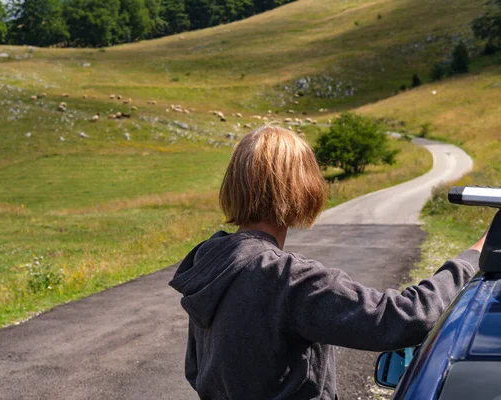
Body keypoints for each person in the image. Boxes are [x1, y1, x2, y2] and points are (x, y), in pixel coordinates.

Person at [169, 124, 486, 400]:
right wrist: (474, 255)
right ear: (301, 187)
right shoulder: (288, 279)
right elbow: (404, 319)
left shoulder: (210, 263)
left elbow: (196, 370)